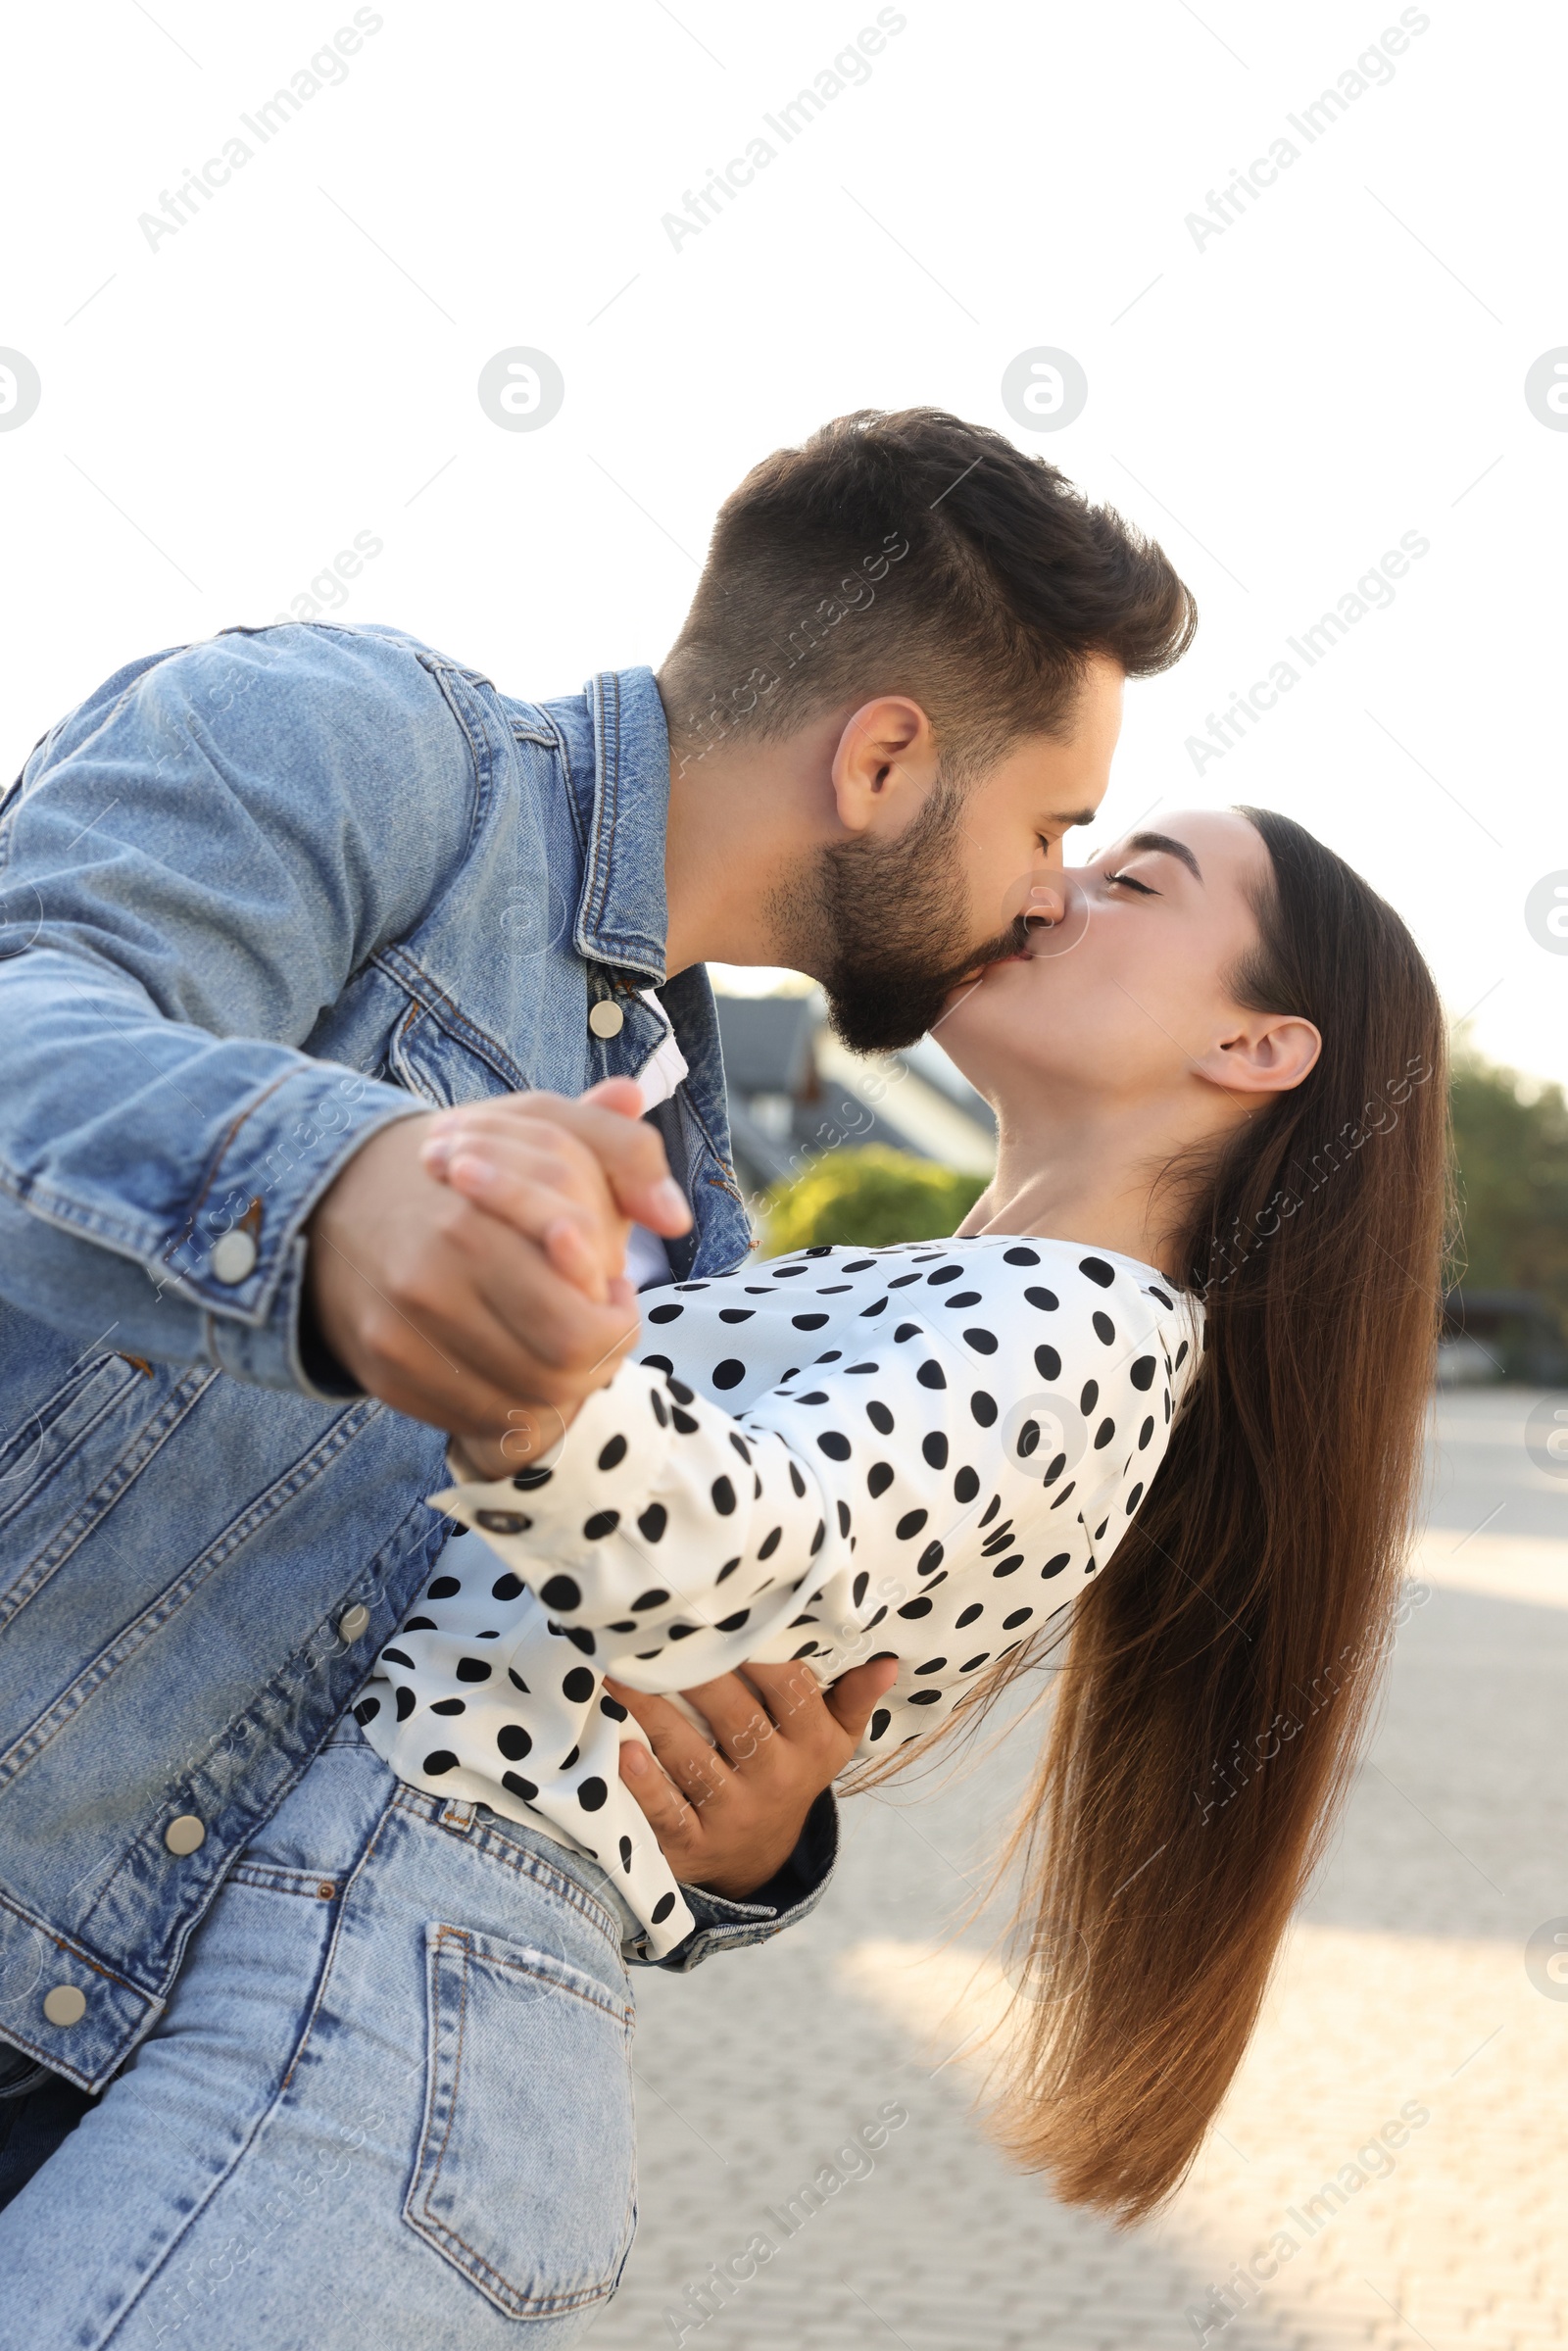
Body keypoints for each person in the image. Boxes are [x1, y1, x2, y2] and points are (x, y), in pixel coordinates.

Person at [0, 805, 1446, 2341]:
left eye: (1130, 882)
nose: (1049, 888)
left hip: (396, 1958)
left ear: (1257, 1051)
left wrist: (505, 1305)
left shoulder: (1084, 1329)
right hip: (358, 1951)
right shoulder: (976, 1291)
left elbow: (738, 1564)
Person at [0, 412, 1194, 2270]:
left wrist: (746, 1848)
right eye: (1050, 824)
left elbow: (450, 1674)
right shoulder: (359, 737)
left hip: (126, 2073)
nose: (1050, 891)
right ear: (885, 757)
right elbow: (25, 1023)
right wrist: (342, 1191)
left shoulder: (694, 1209)